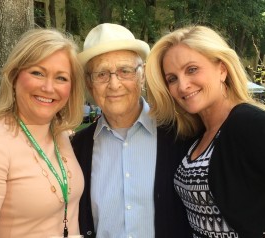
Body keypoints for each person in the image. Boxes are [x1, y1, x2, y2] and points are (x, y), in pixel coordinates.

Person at [145, 25, 265, 237]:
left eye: (192, 69)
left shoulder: (251, 125)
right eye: (172, 78)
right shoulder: (198, 134)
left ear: (222, 69)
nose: (182, 85)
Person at [71, 23, 191, 238]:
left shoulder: (182, 134)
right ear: (89, 85)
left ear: (142, 76)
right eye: (101, 74)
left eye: (125, 71)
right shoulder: (76, 149)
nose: (114, 84)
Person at [0, 28, 85, 238]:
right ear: (14, 76)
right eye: (37, 73)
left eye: (61, 78)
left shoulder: (60, 134)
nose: (48, 88)